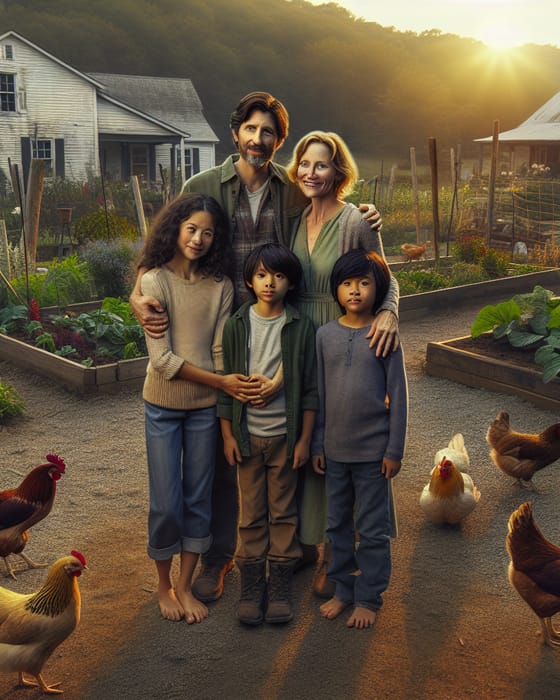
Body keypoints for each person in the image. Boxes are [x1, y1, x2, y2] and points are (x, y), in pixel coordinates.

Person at [130, 92, 392, 604]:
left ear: (279, 141)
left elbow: (329, 207)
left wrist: (365, 214)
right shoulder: (201, 186)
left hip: (281, 326)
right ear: (236, 133)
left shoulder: (290, 190)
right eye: (251, 129)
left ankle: (294, 545)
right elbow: (159, 247)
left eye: (268, 133)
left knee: (292, 429)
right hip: (222, 331)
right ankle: (222, 556)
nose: (258, 140)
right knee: (232, 449)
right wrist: (137, 293)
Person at [286, 131, 400, 596]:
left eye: (323, 165)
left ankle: (339, 553)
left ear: (339, 173)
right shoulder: (295, 221)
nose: (313, 173)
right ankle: (310, 541)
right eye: (306, 165)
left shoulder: (356, 220)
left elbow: (385, 279)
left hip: (342, 333)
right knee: (310, 436)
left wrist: (389, 312)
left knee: (344, 438)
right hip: (301, 336)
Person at [139, 192, 237, 624]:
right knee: (166, 502)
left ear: (217, 240)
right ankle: (163, 587)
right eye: (191, 229)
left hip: (204, 411)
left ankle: (184, 585)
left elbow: (218, 348)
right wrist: (221, 382)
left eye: (208, 233)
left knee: (199, 498)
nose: (198, 239)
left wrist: (220, 395)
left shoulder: (222, 287)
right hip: (161, 406)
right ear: (176, 228)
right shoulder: (154, 282)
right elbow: (162, 361)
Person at [218, 243, 318, 626]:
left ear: (290, 283)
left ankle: (278, 585)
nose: (269, 283)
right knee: (251, 514)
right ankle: (250, 584)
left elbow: (310, 389)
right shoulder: (237, 325)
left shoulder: (300, 327)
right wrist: (228, 434)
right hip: (246, 439)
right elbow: (226, 389)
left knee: (284, 513)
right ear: (249, 280)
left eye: (278, 276)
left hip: (284, 439)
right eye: (261, 275)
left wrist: (305, 440)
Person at [311, 248, 408, 629]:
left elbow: (398, 397)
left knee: (371, 529)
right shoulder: (325, 336)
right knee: (336, 526)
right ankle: (342, 591)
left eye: (364, 283)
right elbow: (319, 394)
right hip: (334, 454)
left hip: (373, 456)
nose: (355, 291)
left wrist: (394, 450)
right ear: (337, 289)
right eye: (347, 283)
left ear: (377, 288)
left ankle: (368, 597)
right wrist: (318, 444)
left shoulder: (385, 335)